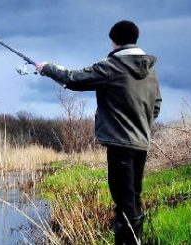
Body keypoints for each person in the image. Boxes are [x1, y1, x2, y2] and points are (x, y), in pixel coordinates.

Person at [36, 20, 161, 244]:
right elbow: (156, 105)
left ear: (114, 40)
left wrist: (47, 68)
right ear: (135, 39)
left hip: (119, 144)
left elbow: (73, 79)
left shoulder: (111, 66)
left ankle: (129, 241)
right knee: (133, 197)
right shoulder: (149, 70)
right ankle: (137, 239)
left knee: (124, 201)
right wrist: (140, 122)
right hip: (141, 142)